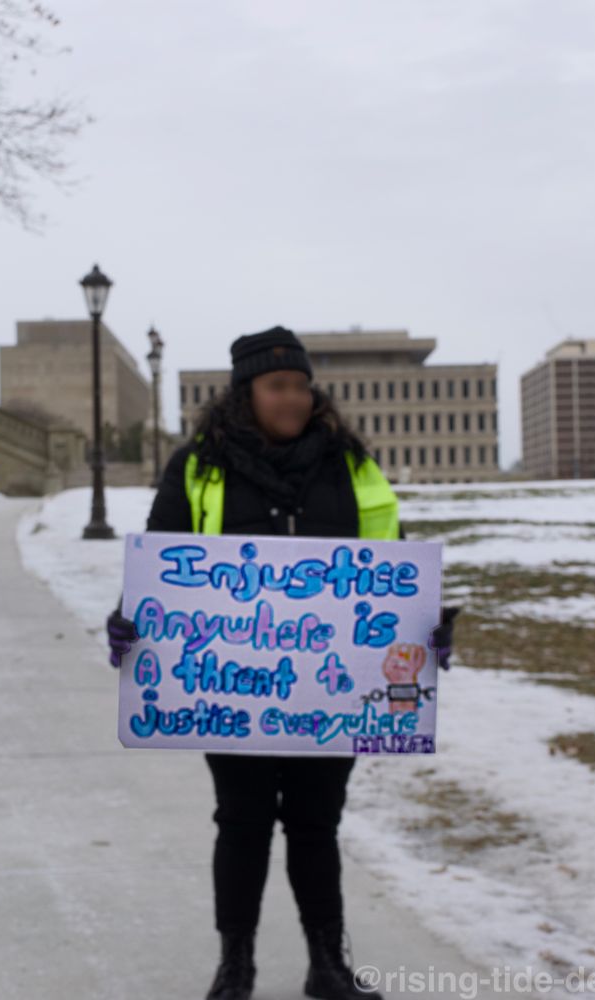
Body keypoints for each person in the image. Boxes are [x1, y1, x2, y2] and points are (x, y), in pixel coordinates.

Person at [106, 326, 459, 1000]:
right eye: (278, 386)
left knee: (315, 822)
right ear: (245, 394)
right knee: (240, 821)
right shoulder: (197, 467)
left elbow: (393, 564)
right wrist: (129, 619)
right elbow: (161, 563)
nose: (293, 397)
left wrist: (428, 626)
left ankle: (327, 964)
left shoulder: (351, 466)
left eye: (301, 385)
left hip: (331, 691)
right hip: (230, 690)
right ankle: (234, 964)